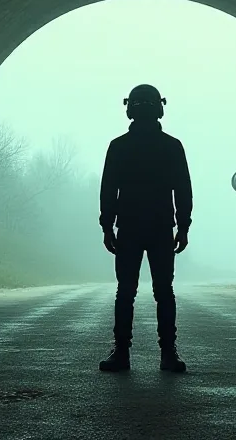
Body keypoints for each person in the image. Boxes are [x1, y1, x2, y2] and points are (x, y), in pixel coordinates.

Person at [97, 84, 192, 373]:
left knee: (125, 291)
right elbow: (183, 191)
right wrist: (183, 226)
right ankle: (168, 354)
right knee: (164, 291)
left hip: (129, 227)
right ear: (159, 108)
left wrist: (107, 226)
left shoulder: (119, 146)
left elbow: (108, 191)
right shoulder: (172, 146)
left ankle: (122, 353)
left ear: (129, 109)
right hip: (161, 226)